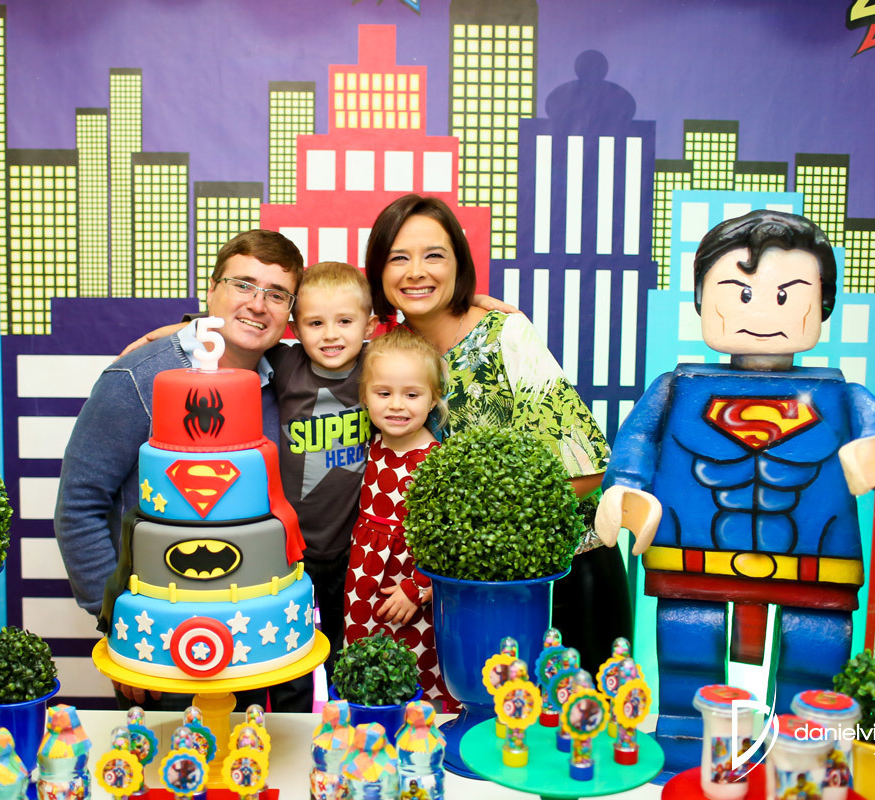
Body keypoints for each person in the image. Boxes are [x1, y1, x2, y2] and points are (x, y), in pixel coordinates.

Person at [593, 209, 875, 774]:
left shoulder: (844, 397)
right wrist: (625, 489)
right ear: (701, 298)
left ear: (824, 303)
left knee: (813, 663)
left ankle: (800, 756)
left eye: (787, 294)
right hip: (691, 556)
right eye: (740, 293)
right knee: (687, 656)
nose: (762, 311)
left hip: (815, 564)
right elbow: (637, 441)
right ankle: (687, 749)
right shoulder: (676, 388)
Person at [363, 193, 631, 672]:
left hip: (563, 574)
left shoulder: (505, 335)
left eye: (434, 255)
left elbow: (588, 468)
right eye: (398, 258)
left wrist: (486, 525)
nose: (416, 272)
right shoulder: (387, 353)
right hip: (461, 585)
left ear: (459, 264)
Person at [54, 229, 304, 708]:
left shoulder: (290, 378)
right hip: (161, 639)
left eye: (277, 294)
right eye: (243, 285)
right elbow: (78, 507)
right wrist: (120, 624)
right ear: (211, 290)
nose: (258, 304)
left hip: (256, 636)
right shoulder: (138, 378)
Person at [268, 261, 378, 685]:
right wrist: (179, 329)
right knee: (286, 654)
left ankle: (342, 716)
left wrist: (476, 302)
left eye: (345, 321)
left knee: (346, 648)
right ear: (294, 328)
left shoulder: (379, 363)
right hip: (292, 548)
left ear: (369, 324)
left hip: (353, 548)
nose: (331, 334)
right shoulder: (285, 363)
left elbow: (431, 339)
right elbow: (228, 335)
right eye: (315, 323)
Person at [342, 326, 454, 706]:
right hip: (366, 574)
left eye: (412, 394)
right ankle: (370, 725)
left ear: (433, 398)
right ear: (365, 397)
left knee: (415, 661)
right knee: (366, 659)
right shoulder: (374, 443)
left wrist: (418, 588)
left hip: (408, 583)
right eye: (383, 393)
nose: (396, 406)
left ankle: (423, 726)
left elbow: (444, 536)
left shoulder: (435, 461)